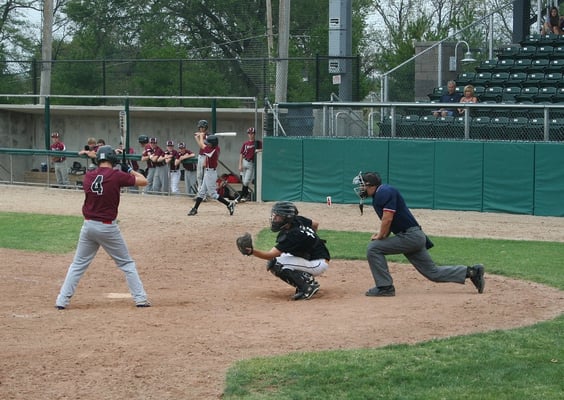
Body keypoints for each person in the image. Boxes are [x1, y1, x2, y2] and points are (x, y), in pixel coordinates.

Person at [352, 171, 485, 297]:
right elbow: (388, 222)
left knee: (373, 248)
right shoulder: (379, 195)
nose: (361, 188)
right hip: (411, 237)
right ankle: (473, 272)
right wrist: (383, 235)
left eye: (363, 185)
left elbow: (388, 218)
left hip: (410, 237)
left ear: (372, 185)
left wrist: (380, 236)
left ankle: (385, 287)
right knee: (433, 273)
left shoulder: (384, 191)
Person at [55, 145, 151, 309]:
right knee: (127, 264)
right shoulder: (116, 175)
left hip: (88, 226)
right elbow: (144, 181)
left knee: (77, 265)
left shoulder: (88, 176)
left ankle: (61, 301)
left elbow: (103, 178)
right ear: (112, 160)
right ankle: (140, 299)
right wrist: (128, 169)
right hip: (107, 228)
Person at [241, 201, 330, 300]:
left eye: (278, 216)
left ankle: (306, 288)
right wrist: (310, 240)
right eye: (274, 215)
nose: (274, 219)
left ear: (286, 218)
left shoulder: (292, 235)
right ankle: (308, 280)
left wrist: (252, 251)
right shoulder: (297, 220)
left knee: (275, 264)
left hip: (318, 263)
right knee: (282, 257)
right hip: (317, 257)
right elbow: (315, 224)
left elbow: (271, 255)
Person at [187, 134, 236, 216]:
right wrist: (201, 136)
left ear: (213, 144)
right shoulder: (216, 147)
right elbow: (206, 144)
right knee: (202, 192)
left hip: (211, 173)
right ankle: (195, 209)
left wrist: (201, 136)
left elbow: (202, 146)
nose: (207, 144)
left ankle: (229, 204)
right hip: (208, 172)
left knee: (213, 194)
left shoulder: (212, 151)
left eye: (209, 143)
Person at [238, 127, 263, 202]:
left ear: (254, 134)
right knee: (243, 181)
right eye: (249, 133)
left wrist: (258, 150)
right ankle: (245, 195)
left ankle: (242, 195)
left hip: (251, 163)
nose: (251, 135)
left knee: (246, 181)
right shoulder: (245, 143)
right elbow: (241, 154)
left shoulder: (257, 142)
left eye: (252, 133)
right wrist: (240, 164)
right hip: (245, 161)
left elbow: (264, 149)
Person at [194, 119, 209, 191]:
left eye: (202, 127)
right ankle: (199, 192)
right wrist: (197, 137)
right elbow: (200, 146)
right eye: (200, 127)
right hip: (200, 156)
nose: (201, 129)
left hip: (206, 156)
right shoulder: (202, 135)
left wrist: (200, 137)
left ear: (206, 128)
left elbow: (202, 146)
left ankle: (204, 194)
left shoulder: (208, 137)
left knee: (204, 175)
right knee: (199, 175)